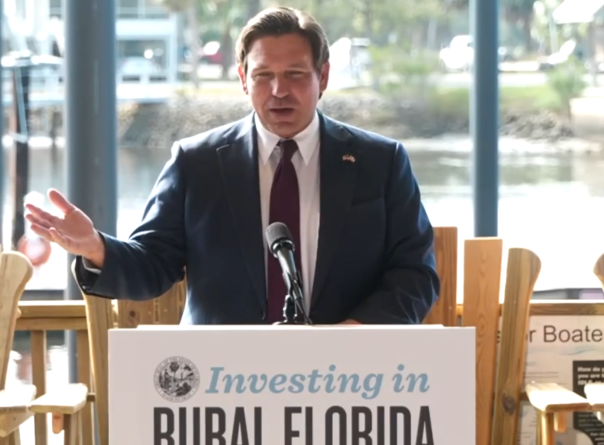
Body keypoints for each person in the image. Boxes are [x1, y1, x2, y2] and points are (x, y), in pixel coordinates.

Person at [25, 7, 439, 325]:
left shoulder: (380, 161)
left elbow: (416, 274)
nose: (279, 91)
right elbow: (154, 264)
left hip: (348, 377)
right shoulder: (196, 162)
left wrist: (357, 332)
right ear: (243, 78)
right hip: (220, 382)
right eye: (263, 75)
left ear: (323, 77)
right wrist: (96, 248)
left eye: (295, 74)